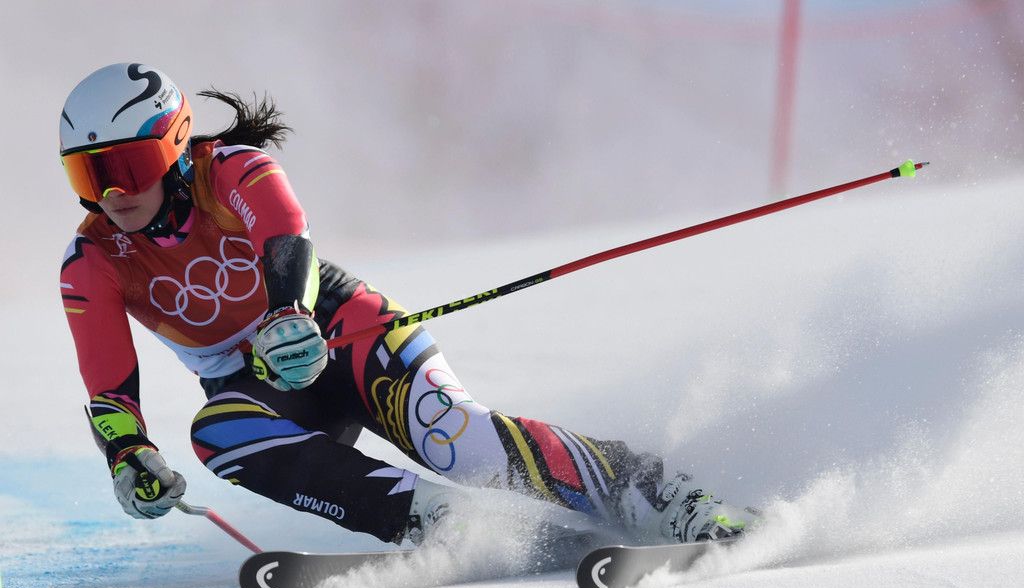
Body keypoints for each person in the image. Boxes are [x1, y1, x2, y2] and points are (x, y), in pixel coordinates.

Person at [59, 62, 756, 549]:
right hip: (260, 387)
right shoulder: (92, 260)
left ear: (175, 144)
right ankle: (436, 522)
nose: (112, 195)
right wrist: (129, 454)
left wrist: (288, 312)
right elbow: (108, 385)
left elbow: (286, 232)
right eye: (88, 175)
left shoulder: (232, 170)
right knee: (218, 432)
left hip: (340, 331)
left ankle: (660, 495)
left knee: (454, 438)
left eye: (127, 167)